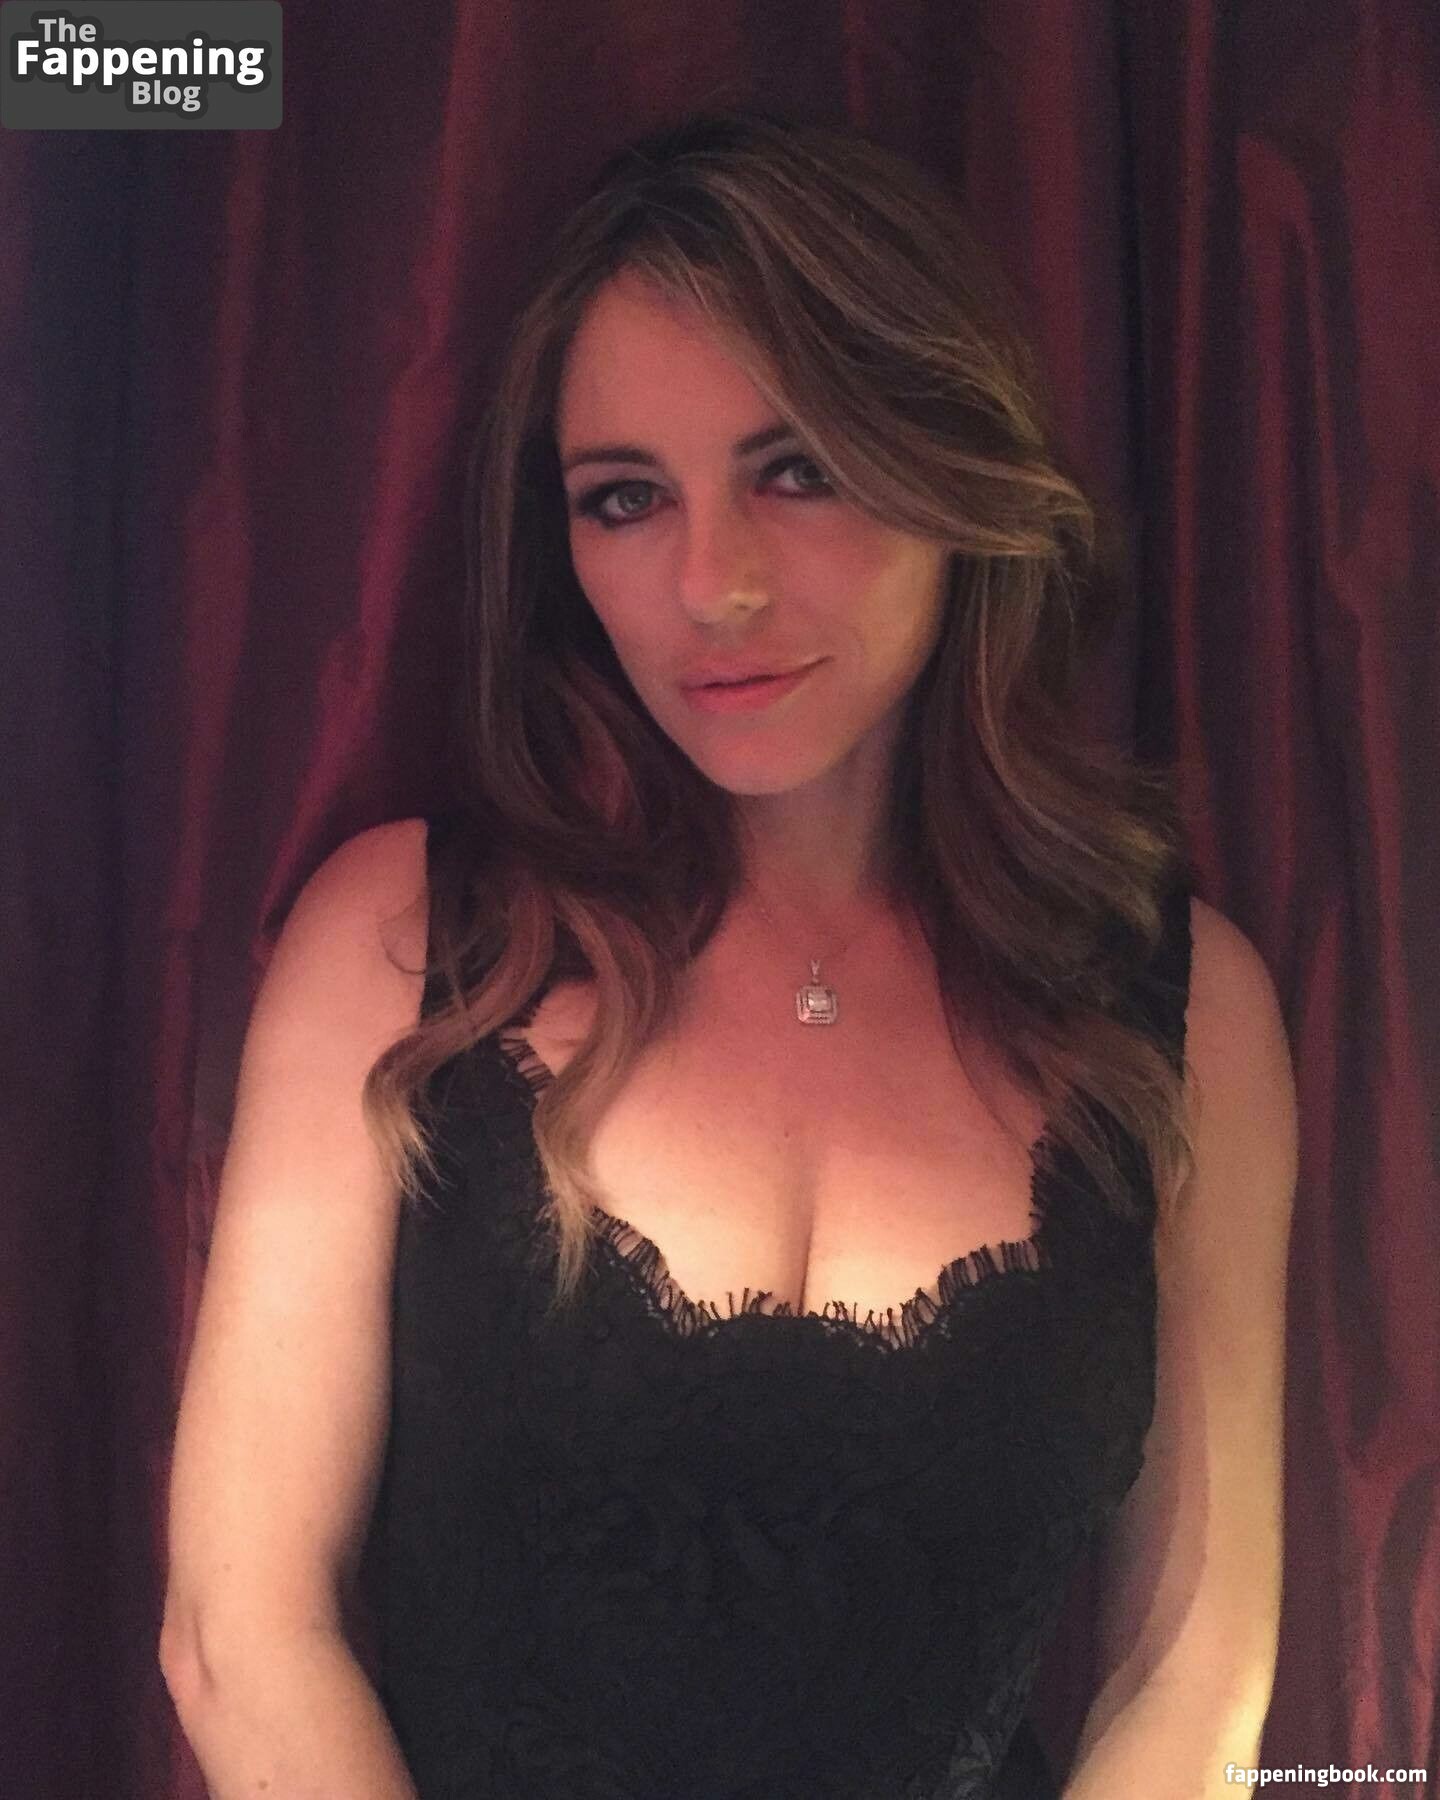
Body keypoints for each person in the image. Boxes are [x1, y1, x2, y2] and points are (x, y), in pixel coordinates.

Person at [159, 109, 1297, 1800]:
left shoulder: (1182, 1016)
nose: (713, 585)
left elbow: (1195, 1668)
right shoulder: (405, 945)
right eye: (626, 499)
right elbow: (239, 1631)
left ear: (950, 465)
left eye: (798, 469)